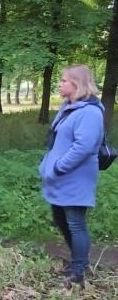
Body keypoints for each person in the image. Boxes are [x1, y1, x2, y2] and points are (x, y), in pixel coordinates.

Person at [39, 65, 104, 288]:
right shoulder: (69, 107)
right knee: (60, 219)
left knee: (76, 223)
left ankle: (78, 271)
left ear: (77, 84)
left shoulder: (90, 112)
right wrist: (46, 165)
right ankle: (79, 262)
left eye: (64, 80)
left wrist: (58, 167)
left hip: (75, 177)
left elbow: (83, 147)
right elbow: (57, 140)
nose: (60, 83)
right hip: (61, 178)